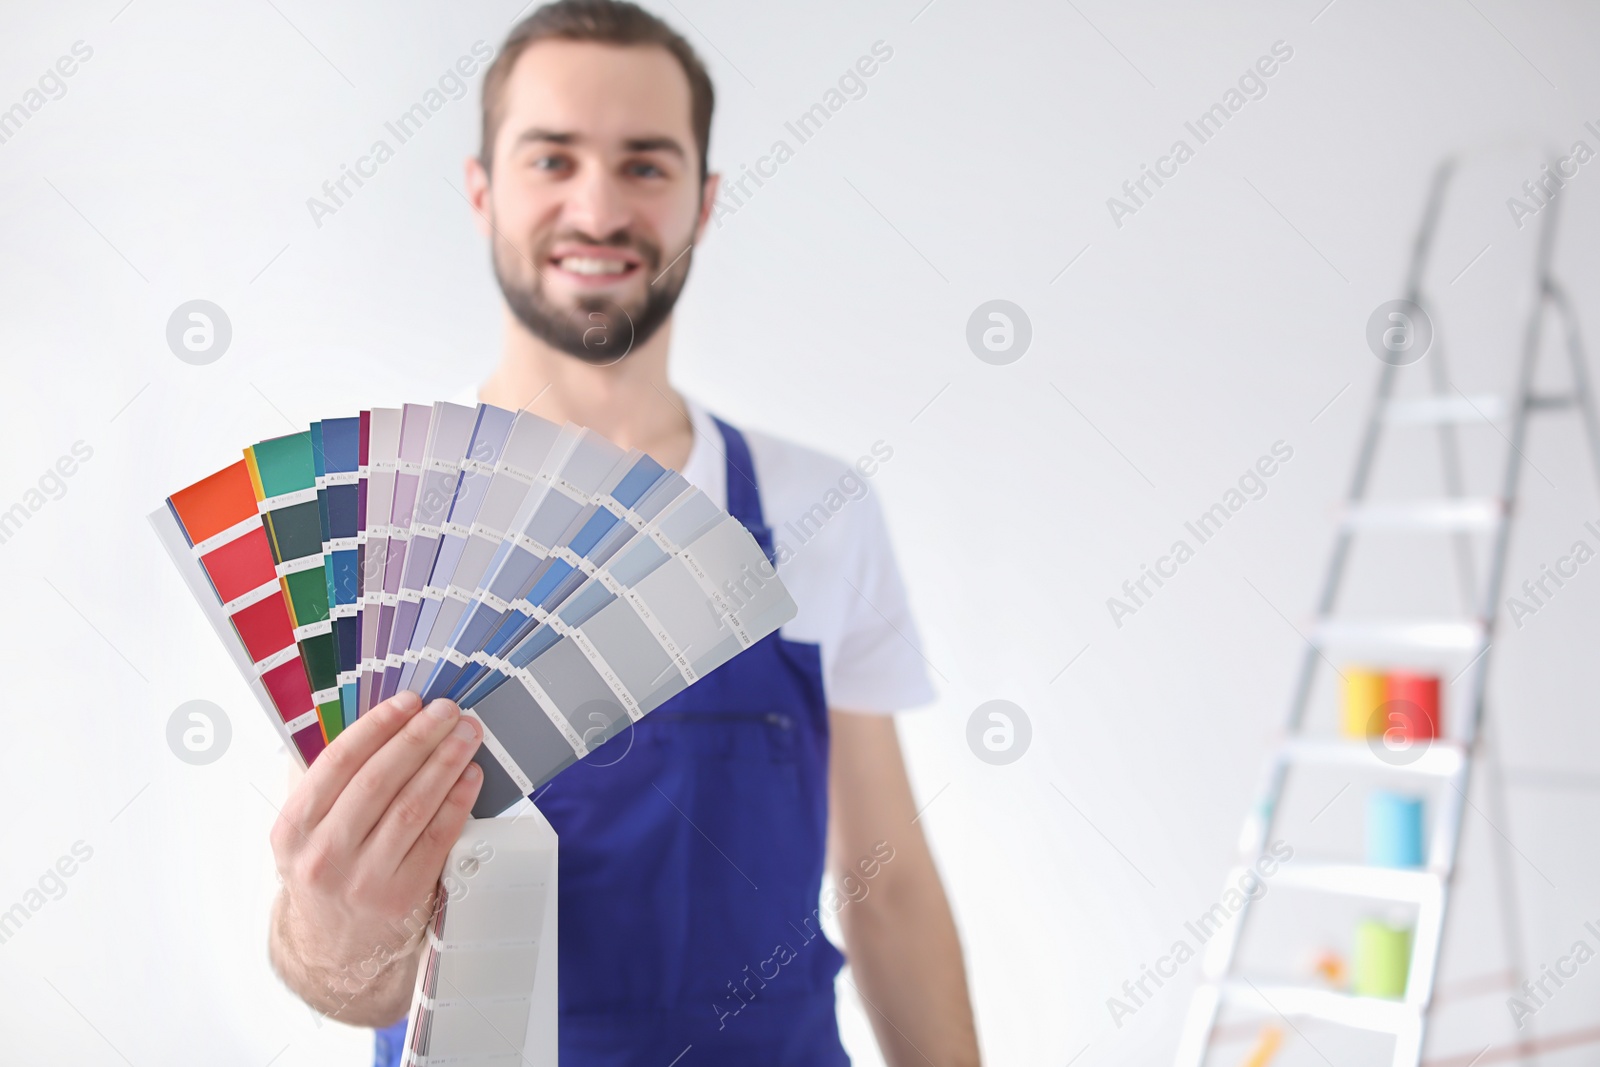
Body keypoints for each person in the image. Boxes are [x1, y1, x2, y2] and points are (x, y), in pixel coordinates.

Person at [266, 3, 981, 1063]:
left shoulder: (815, 509)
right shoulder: (372, 525)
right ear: (482, 191)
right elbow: (340, 971)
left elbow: (890, 883)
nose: (597, 207)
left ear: (704, 200)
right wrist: (329, 934)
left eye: (645, 166)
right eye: (552, 158)